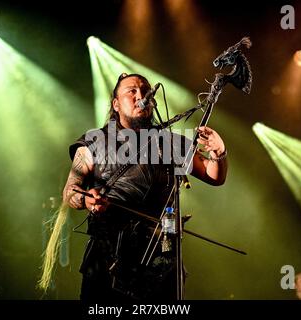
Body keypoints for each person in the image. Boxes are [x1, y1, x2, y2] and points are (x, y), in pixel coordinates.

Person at [62, 73, 228, 301]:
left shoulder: (170, 142)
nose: (141, 95)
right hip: (108, 258)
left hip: (161, 259)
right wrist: (86, 200)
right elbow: (71, 191)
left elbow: (214, 175)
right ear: (116, 104)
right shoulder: (94, 141)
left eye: (145, 90)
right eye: (131, 91)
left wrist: (219, 152)